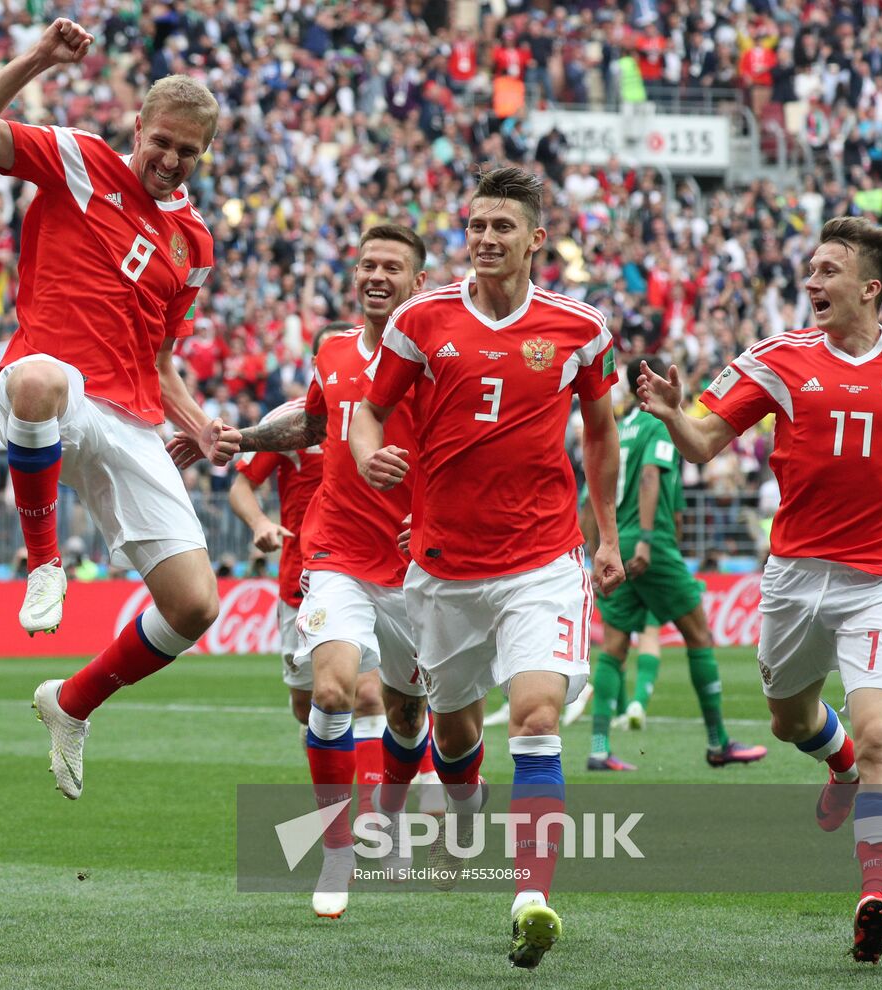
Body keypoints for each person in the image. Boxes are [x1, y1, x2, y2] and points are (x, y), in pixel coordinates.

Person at [0, 18, 239, 799]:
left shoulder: (197, 242)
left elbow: (160, 357)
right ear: (137, 127)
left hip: (133, 416)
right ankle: (43, 561)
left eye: (188, 152)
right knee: (39, 379)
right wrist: (39, 57)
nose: (170, 160)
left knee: (195, 605)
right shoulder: (78, 158)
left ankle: (71, 703)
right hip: (57, 391)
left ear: (204, 156)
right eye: (162, 142)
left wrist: (197, 423)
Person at [350, 167, 624, 969]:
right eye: (475, 227)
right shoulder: (419, 320)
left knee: (537, 717)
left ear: (536, 239)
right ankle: (464, 801)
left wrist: (604, 536)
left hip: (542, 559)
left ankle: (531, 898)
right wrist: (370, 459)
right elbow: (368, 413)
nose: (486, 239)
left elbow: (601, 433)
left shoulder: (581, 328)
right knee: (457, 736)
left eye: (503, 227)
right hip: (442, 567)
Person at [637, 216, 882, 963]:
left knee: (881, 735)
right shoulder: (777, 359)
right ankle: (838, 765)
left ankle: (875, 891)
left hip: (876, 583)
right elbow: (705, 441)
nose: (811, 282)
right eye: (809, 270)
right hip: (794, 578)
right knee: (788, 720)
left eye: (827, 271)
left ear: (870, 288)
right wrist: (673, 414)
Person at [235, 225, 432, 918]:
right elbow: (315, 426)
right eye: (366, 264)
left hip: (413, 564)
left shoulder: (436, 357)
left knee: (409, 715)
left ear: (417, 283)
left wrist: (436, 514)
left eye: (391, 267)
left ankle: (397, 818)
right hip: (335, 554)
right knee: (331, 692)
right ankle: (339, 848)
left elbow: (466, 447)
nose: (376, 276)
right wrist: (245, 437)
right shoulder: (333, 349)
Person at [230, 322, 391, 824]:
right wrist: (260, 524)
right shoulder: (294, 421)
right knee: (311, 706)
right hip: (297, 579)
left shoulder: (380, 410)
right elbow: (241, 485)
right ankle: (336, 795)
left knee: (367, 695)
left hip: (359, 570)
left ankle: (369, 819)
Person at [584, 357, 768, 771]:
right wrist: (647, 541)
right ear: (646, 385)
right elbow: (651, 477)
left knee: (613, 648)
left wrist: (598, 546)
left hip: (616, 541)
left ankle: (597, 748)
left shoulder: (617, 427)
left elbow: (587, 497)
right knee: (699, 635)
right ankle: (719, 741)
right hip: (651, 544)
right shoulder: (656, 424)